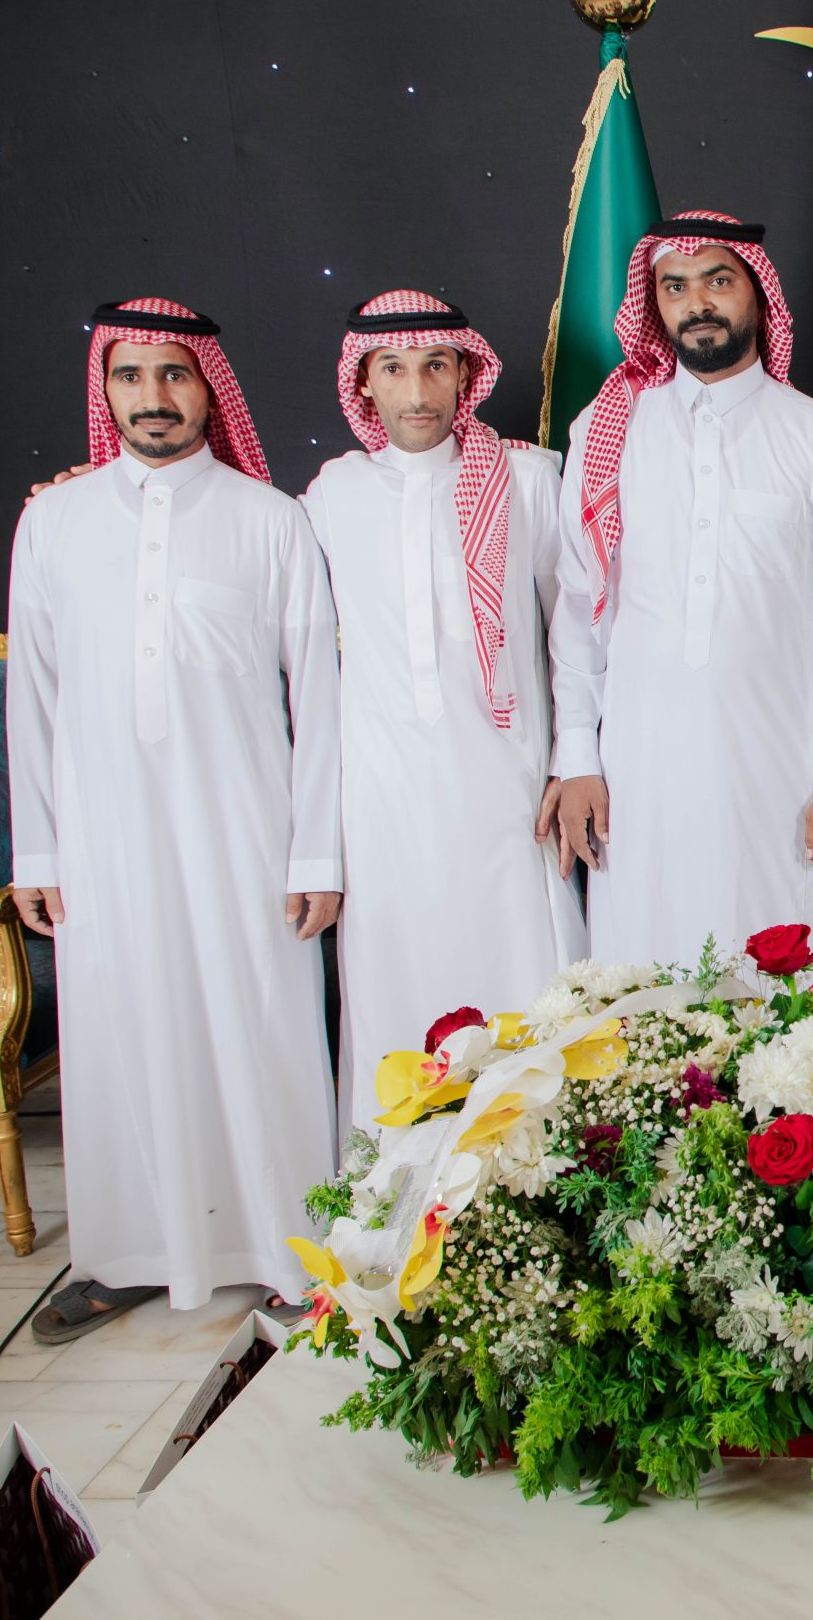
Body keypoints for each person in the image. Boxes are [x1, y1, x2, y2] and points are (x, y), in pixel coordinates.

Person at [6, 298, 340, 1340]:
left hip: (246, 832)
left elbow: (320, 698)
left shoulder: (271, 519)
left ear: (208, 388)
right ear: (104, 388)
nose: (153, 397)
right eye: (130, 375)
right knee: (119, 1030)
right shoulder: (53, 521)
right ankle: (122, 1256)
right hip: (104, 837)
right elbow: (32, 692)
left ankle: (290, 1253)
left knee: (258, 1025)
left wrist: (316, 854)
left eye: (174, 374)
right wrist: (38, 847)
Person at [544, 212, 813, 971]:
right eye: (675, 286)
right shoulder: (607, 429)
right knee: (644, 976)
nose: (697, 302)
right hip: (638, 769)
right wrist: (578, 757)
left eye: (718, 281)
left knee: (787, 982)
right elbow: (577, 609)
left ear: (757, 293)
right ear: (654, 303)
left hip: (784, 767)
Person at [301, 291, 583, 1128]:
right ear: (364, 383)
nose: (416, 389)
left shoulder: (527, 479)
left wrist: (570, 759)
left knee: (520, 997)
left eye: (434, 365)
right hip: (382, 808)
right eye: (392, 369)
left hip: (507, 796)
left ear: (465, 373)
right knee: (395, 997)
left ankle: (533, 1177)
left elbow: (573, 630)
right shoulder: (332, 494)